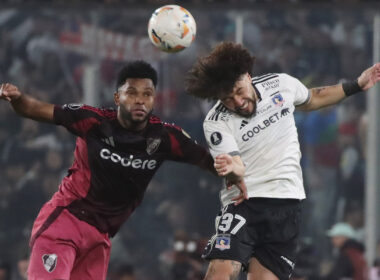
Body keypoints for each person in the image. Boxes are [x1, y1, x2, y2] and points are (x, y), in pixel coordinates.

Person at [0, 60, 238, 280]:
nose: (140, 100)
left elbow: (211, 162)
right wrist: (18, 98)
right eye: (132, 93)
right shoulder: (93, 121)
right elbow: (36, 109)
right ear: (117, 97)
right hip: (65, 223)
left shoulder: (166, 138)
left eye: (147, 94)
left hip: (99, 238)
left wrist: (236, 174)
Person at [185, 41, 380, 280]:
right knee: (221, 271)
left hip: (287, 202)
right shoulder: (215, 121)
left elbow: (314, 98)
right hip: (244, 202)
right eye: (227, 98)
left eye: (238, 91)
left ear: (247, 76)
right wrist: (233, 172)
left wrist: (357, 85)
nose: (236, 102)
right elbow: (235, 163)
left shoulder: (281, 84)